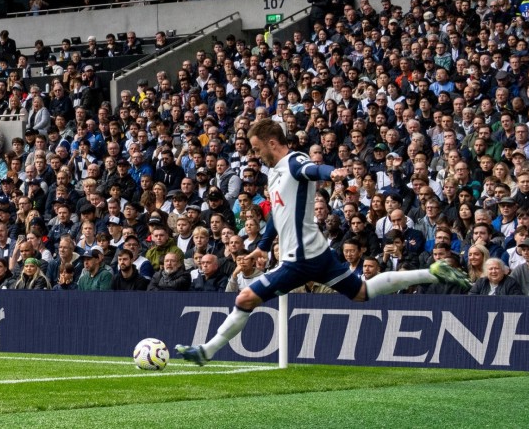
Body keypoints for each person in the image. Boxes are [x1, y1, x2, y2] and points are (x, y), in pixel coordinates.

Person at [177, 120, 471, 365]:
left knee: (244, 299)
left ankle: (206, 351)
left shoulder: (293, 161)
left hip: (300, 259)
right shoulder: (276, 175)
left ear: (272, 142)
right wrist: (263, 247)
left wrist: (333, 172)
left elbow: (313, 169)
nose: (256, 155)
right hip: (317, 255)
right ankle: (432, 272)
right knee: (362, 292)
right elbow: (278, 217)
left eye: (257, 148)